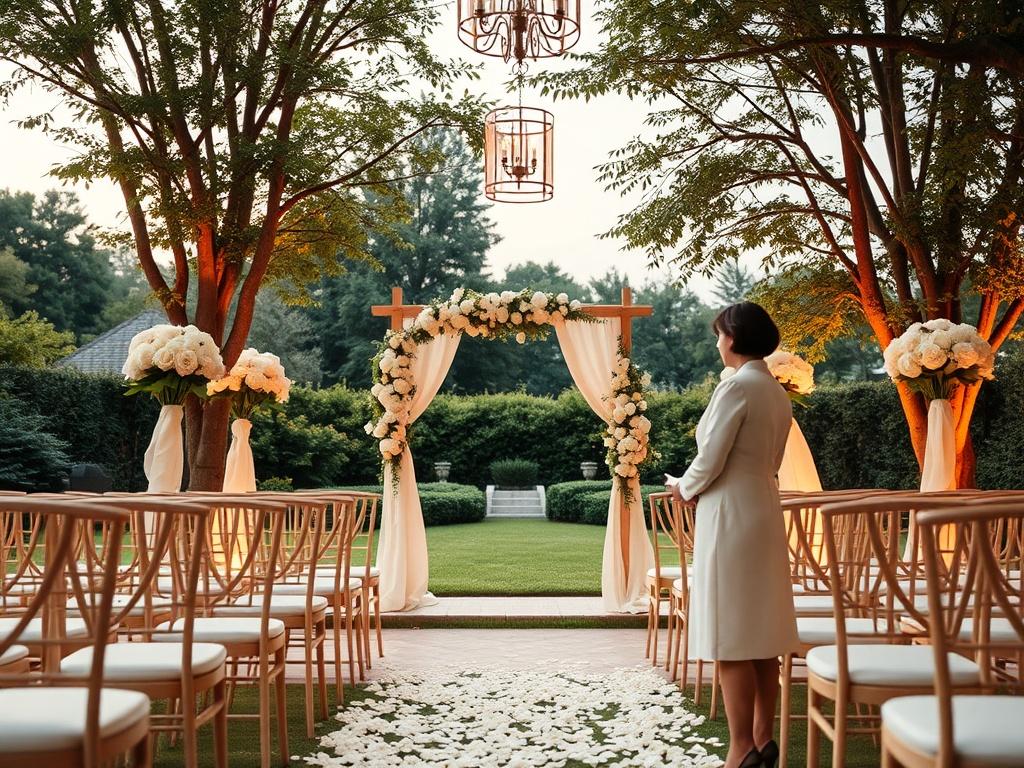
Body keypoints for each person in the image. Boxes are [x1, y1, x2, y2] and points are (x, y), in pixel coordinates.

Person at [666, 301, 799, 768]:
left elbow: (712, 457)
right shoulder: (775, 391)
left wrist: (682, 487)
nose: (717, 342)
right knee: (761, 632)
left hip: (730, 516)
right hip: (763, 508)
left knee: (730, 634)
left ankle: (740, 747)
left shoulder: (737, 387)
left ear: (735, 337)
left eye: (720, 334)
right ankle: (764, 740)